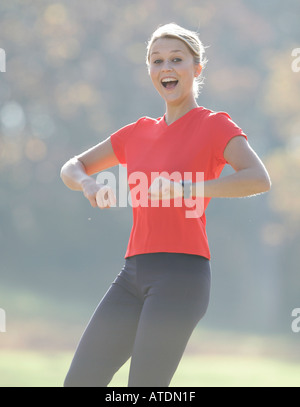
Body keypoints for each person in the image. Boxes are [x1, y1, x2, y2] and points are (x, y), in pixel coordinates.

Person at [61, 23, 271, 387]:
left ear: (196, 68)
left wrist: (187, 188)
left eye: (177, 59)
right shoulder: (137, 132)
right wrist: (88, 182)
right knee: (80, 381)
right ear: (150, 72)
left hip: (182, 275)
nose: (166, 67)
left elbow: (258, 178)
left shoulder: (214, 125)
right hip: (132, 274)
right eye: (157, 61)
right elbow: (71, 166)